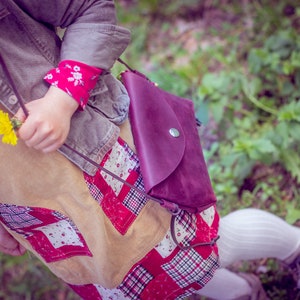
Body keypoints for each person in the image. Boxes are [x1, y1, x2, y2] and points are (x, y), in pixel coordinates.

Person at [0, 1, 299, 299]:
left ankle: (294, 247)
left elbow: (91, 8)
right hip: (36, 207)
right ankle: (242, 292)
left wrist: (61, 98)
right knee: (136, 278)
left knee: (200, 245)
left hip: (100, 163)